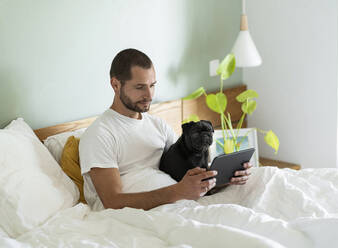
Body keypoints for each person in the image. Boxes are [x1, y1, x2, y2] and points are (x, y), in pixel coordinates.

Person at [79, 48, 251, 211]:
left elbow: (184, 175)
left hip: (180, 204)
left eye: (152, 85)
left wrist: (223, 179)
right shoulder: (100, 134)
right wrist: (179, 192)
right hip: (140, 215)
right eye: (140, 87)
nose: (149, 95)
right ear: (115, 85)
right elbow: (113, 202)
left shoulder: (158, 125)